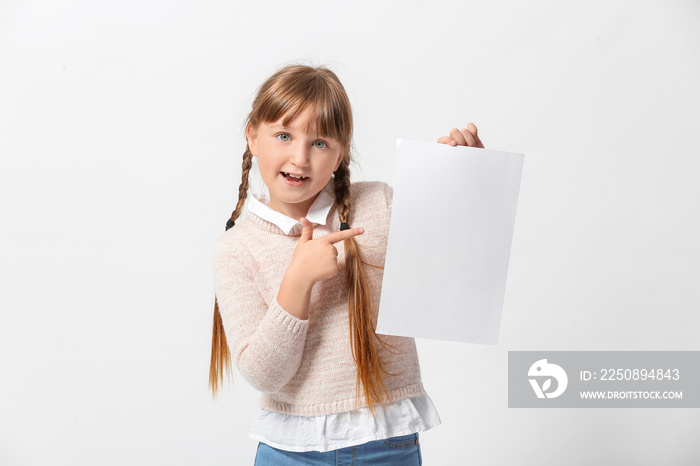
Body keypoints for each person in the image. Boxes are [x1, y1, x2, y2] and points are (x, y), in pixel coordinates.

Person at [210, 64, 484, 465]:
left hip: (387, 445)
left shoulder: (380, 205)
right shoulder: (235, 248)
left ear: (340, 153)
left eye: (320, 143)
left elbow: (455, 264)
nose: (300, 157)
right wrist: (297, 283)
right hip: (291, 452)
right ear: (253, 135)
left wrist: (470, 179)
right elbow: (264, 376)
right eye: (284, 135)